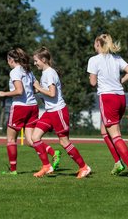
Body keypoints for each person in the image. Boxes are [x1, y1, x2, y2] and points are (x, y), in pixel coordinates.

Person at [31, 46, 91, 179]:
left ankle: (84, 167)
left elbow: (52, 94)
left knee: (64, 142)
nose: (35, 63)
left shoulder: (50, 73)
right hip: (49, 112)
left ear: (44, 59)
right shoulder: (45, 73)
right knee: (34, 138)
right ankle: (46, 166)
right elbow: (44, 91)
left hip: (58, 111)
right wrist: (33, 89)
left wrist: (38, 88)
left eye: (36, 61)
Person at [0, 48, 61, 175]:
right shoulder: (27, 70)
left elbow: (19, 91)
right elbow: (36, 87)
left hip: (20, 107)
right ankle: (53, 153)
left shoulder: (15, 72)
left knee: (11, 140)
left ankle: (13, 170)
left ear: (11, 60)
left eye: (8, 60)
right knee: (31, 140)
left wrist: (4, 93)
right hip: (33, 106)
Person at [87, 34, 128, 178]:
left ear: (98, 44)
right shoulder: (117, 58)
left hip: (107, 97)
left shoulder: (94, 60)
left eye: (94, 43)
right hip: (121, 97)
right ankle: (117, 162)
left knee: (115, 134)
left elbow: (92, 83)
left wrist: (94, 77)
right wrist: (120, 81)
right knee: (104, 131)